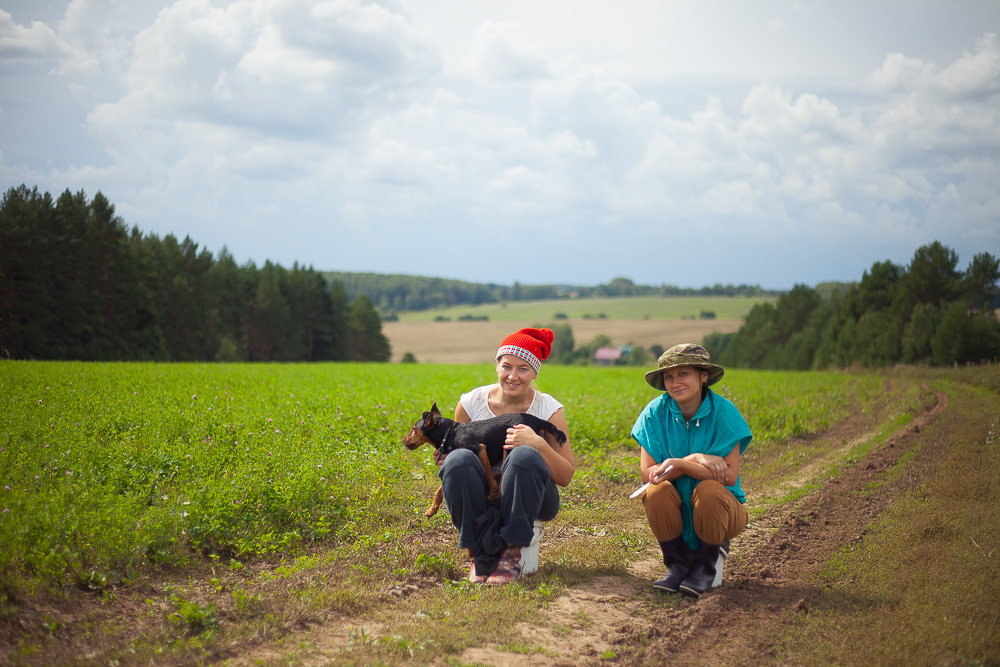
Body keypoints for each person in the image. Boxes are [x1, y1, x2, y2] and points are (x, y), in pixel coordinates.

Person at [439, 327, 575, 585]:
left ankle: (510, 554)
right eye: (506, 367)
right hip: (483, 496)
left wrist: (539, 444)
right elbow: (458, 460)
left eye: (523, 369)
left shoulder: (548, 409)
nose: (513, 376)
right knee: (458, 461)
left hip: (534, 496)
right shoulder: (471, 404)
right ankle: (479, 553)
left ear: (535, 373)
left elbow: (566, 476)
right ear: (497, 367)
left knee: (524, 455)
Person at [631, 343, 752, 598]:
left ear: (703, 376)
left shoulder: (724, 412)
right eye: (669, 376)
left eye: (683, 374)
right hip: (676, 510)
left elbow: (728, 476)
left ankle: (705, 566)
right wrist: (694, 459)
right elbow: (650, 475)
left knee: (709, 489)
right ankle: (678, 564)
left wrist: (677, 464)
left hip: (722, 513)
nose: (675, 383)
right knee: (656, 491)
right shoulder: (654, 413)